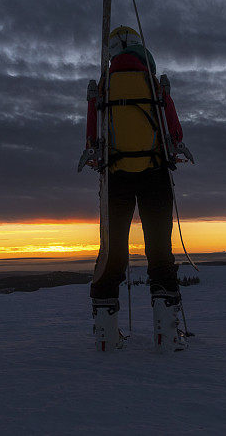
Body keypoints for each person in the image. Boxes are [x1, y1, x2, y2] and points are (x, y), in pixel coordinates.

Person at [84, 25, 187, 351]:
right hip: (155, 174)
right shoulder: (153, 84)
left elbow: (92, 139)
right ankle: (167, 333)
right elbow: (174, 133)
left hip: (116, 178)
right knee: (159, 250)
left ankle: (106, 333)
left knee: (113, 252)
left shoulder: (105, 86)